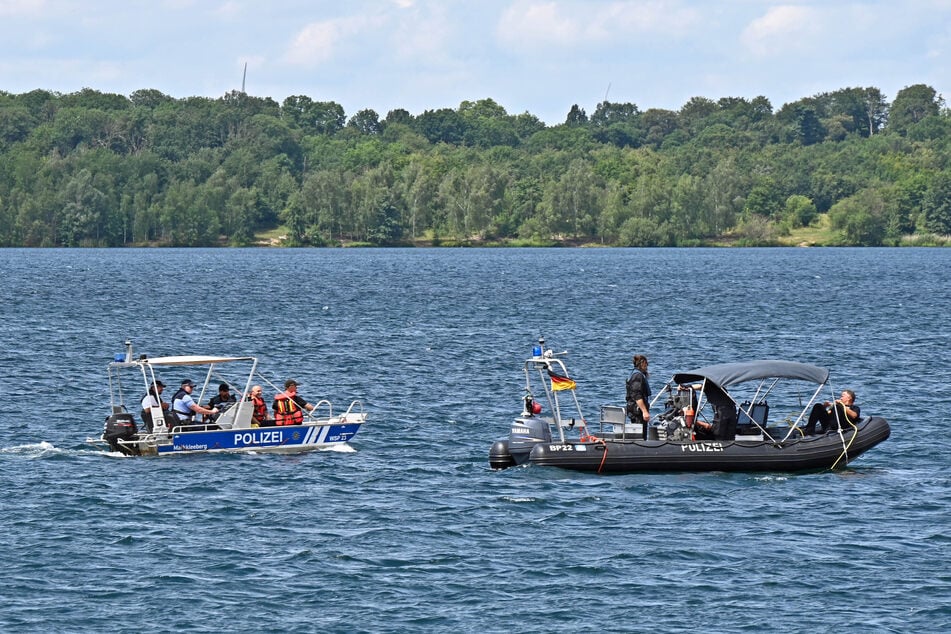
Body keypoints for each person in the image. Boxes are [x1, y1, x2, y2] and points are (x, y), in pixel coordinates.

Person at [626, 355, 651, 438]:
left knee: (640, 432)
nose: (647, 366)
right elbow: (637, 395)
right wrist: (644, 411)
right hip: (637, 411)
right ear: (642, 363)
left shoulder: (637, 374)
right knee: (640, 433)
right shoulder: (637, 376)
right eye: (646, 363)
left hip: (635, 409)